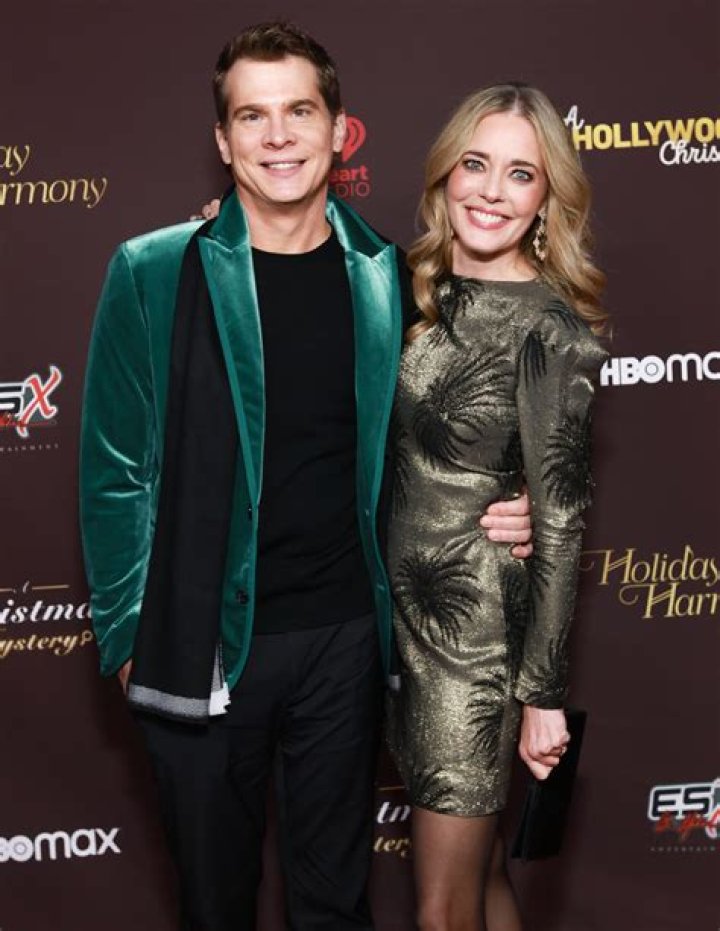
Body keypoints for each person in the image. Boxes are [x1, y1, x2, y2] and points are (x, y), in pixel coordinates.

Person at [79, 23, 532, 931]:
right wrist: (131, 641)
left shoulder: (390, 277)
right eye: (253, 116)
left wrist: (507, 507)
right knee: (215, 904)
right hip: (202, 645)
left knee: (334, 903)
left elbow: (440, 443)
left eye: (299, 111)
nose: (278, 135)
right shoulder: (153, 270)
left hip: (345, 642)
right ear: (223, 140)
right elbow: (115, 472)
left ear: (337, 130)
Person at [386, 83, 608, 931]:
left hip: (470, 641)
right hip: (398, 623)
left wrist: (542, 695)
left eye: (521, 174)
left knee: (441, 910)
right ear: (445, 173)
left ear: (547, 199)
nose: (490, 190)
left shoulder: (548, 330)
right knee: (480, 881)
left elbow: (560, 520)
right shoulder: (411, 288)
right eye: (475, 164)